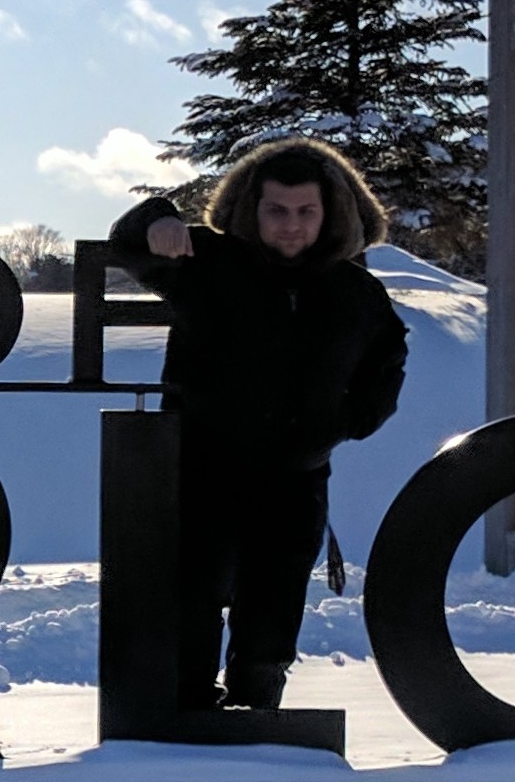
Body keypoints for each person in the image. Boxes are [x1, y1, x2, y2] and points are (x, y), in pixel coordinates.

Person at [106, 138, 410, 711]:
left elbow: (388, 359)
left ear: (330, 214)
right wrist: (158, 220)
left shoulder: (356, 290)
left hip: (297, 482)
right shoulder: (207, 264)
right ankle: (185, 724)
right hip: (202, 474)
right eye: (276, 210)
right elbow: (126, 242)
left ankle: (260, 726)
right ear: (253, 208)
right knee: (192, 604)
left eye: (305, 212)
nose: (290, 225)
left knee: (273, 616)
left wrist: (348, 422)